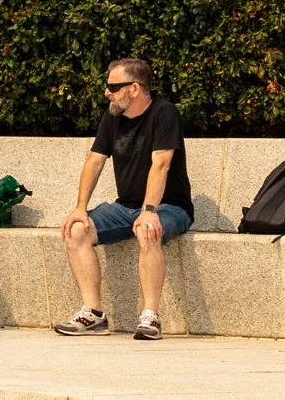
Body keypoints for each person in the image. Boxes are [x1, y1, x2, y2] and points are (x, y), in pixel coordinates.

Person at [54, 56, 192, 341]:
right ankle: (93, 314)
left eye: (113, 86)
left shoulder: (164, 113)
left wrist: (150, 210)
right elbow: (94, 162)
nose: (107, 92)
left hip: (170, 206)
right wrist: (80, 208)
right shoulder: (112, 117)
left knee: (147, 229)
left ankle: (150, 316)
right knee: (76, 230)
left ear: (135, 89)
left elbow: (162, 164)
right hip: (125, 206)